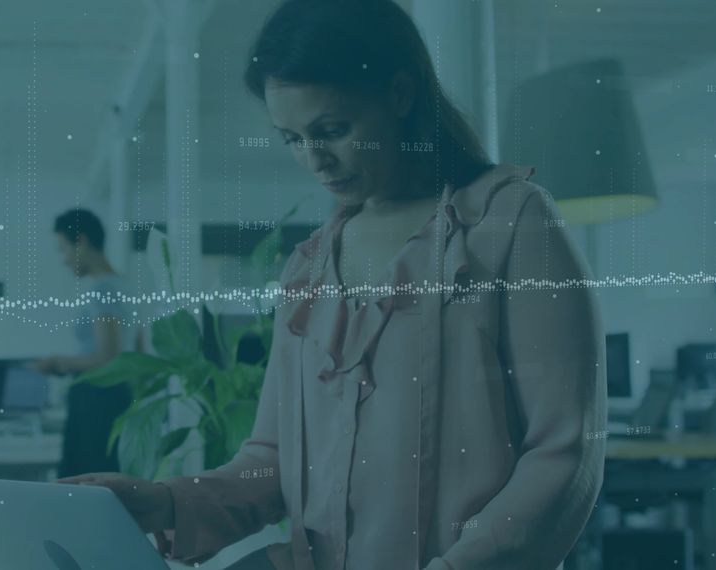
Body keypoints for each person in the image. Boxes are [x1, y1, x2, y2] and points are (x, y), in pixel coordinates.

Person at [60, 1, 607, 569]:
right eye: (291, 138)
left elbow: (563, 452)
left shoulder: (512, 224)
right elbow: (273, 458)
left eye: (332, 130)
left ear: (400, 94)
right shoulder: (307, 268)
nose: (314, 160)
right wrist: (166, 500)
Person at [32, 208, 141, 478]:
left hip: (97, 400)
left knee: (86, 484)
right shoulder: (126, 286)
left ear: (81, 241)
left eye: (63, 249)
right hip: (120, 397)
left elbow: (109, 358)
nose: (64, 260)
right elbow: (139, 352)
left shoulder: (103, 290)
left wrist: (58, 362)